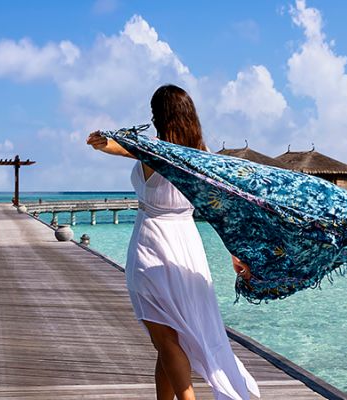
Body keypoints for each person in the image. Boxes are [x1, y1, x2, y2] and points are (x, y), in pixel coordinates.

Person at [87, 84, 258, 400]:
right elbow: (221, 212)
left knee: (165, 340)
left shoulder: (153, 150)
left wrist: (103, 142)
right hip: (187, 251)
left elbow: (121, 148)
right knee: (169, 340)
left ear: (159, 116)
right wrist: (236, 253)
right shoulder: (201, 157)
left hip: (151, 248)